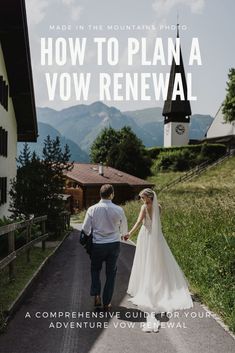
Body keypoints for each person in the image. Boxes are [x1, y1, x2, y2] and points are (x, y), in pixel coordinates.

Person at [124, 188, 193, 330]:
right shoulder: (159, 207)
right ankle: (159, 285)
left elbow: (139, 222)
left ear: (149, 197)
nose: (142, 200)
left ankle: (147, 287)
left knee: (145, 261)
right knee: (157, 262)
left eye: (144, 197)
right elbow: (156, 222)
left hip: (146, 236)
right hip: (157, 238)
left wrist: (129, 233)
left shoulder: (144, 207)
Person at [82, 184, 128, 311]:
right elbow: (124, 230)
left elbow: (86, 229)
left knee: (95, 270)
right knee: (111, 273)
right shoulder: (119, 210)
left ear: (100, 194)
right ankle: (107, 303)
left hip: (98, 245)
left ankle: (96, 294)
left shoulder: (92, 209)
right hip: (113, 244)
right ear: (111, 194)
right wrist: (123, 235)